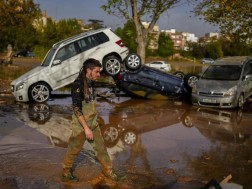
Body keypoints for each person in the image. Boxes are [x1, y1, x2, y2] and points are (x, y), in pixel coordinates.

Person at [62, 58, 123, 182]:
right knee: (73, 150)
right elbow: (77, 109)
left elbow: (90, 102)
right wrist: (86, 128)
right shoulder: (77, 85)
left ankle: (109, 172)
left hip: (93, 123)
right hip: (80, 125)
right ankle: (66, 172)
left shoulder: (91, 82)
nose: (99, 74)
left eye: (99, 72)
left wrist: (96, 120)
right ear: (88, 70)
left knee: (101, 149)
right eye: (96, 72)